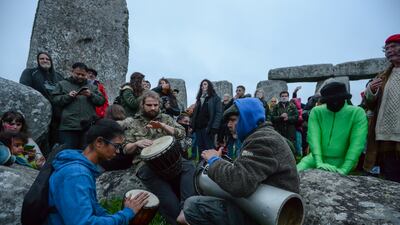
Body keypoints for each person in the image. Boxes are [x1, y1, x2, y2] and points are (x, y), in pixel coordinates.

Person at [178, 98, 300, 225]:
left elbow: (238, 183)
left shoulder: (262, 140)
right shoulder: (263, 135)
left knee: (192, 205)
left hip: (272, 215)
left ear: (248, 117)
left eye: (233, 120)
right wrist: (220, 161)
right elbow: (247, 171)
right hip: (264, 207)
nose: (229, 125)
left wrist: (214, 160)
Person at [47, 118, 150, 224]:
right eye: (116, 146)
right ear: (99, 142)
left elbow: (94, 207)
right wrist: (127, 214)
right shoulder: (76, 174)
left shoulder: (83, 168)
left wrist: (119, 216)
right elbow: (83, 223)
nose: (118, 151)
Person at [122, 91, 195, 225]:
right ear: (142, 105)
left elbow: (182, 133)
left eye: (155, 105)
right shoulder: (133, 123)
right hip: (145, 165)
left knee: (189, 166)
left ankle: (187, 209)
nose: (153, 108)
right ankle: (176, 220)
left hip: (170, 161)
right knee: (169, 201)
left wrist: (163, 126)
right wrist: (136, 143)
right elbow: (125, 149)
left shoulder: (166, 118)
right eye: (149, 105)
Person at [297, 82, 368, 175]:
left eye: (337, 100)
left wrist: (345, 168)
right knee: (294, 173)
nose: (334, 103)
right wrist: (319, 162)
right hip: (314, 157)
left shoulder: (357, 113)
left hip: (343, 160)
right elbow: (313, 136)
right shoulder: (317, 111)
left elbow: (357, 143)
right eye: (330, 101)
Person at [363, 34, 400, 182]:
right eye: (387, 48)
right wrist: (371, 90)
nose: (390, 50)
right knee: (392, 176)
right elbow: (370, 104)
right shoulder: (383, 75)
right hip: (385, 134)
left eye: (394, 46)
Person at [52, 62, 105, 149]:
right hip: (68, 127)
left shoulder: (92, 87)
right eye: (78, 74)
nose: (80, 76)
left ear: (86, 75)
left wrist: (91, 95)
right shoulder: (62, 84)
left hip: (88, 127)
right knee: (67, 153)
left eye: (83, 75)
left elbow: (101, 101)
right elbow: (55, 100)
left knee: (86, 154)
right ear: (72, 72)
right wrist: (68, 96)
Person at [19, 52, 64, 154]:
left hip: (56, 114)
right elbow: (24, 88)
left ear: (51, 61)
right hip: (37, 112)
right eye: (41, 59)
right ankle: (31, 158)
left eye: (47, 59)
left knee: (54, 140)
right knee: (35, 137)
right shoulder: (30, 72)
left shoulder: (59, 76)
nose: (44, 61)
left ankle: (49, 159)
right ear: (38, 61)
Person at [191, 79, 223, 153]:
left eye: (205, 84)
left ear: (209, 86)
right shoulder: (199, 99)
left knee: (209, 148)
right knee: (201, 149)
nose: (203, 86)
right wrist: (193, 125)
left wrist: (214, 127)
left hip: (208, 128)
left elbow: (219, 113)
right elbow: (196, 114)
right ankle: (201, 164)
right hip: (198, 128)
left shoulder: (216, 98)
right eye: (201, 85)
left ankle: (211, 164)